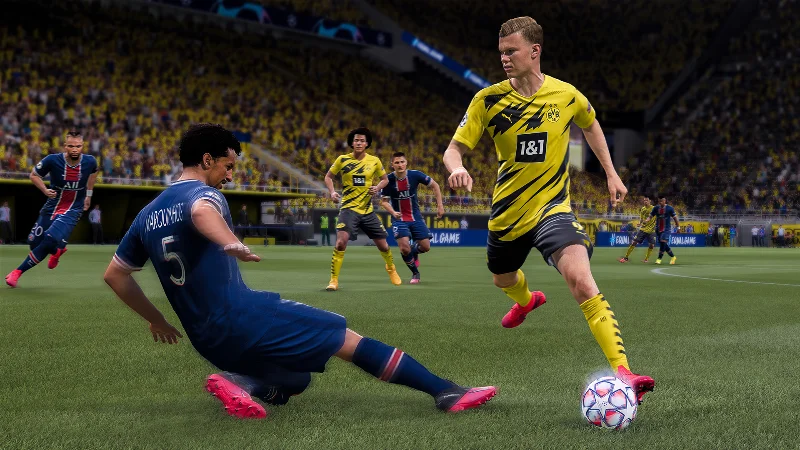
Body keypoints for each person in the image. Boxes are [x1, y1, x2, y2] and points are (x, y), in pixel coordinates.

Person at [103, 124, 497, 419]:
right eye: (228, 166)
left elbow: (115, 275)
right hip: (243, 317)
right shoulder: (205, 194)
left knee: (296, 379)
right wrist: (228, 241)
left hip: (206, 341)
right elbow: (201, 211)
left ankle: (239, 381)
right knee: (345, 337)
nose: (230, 174)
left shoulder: (146, 215)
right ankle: (446, 392)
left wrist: (156, 319)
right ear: (207, 161)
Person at [442, 16, 653, 403]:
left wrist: (611, 173)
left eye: (512, 51)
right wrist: (457, 168)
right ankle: (526, 301)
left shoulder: (566, 95)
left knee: (582, 280)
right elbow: (454, 149)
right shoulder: (487, 100)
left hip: (553, 209)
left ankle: (624, 371)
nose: (504, 58)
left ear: (534, 51)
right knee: (502, 279)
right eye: (501, 52)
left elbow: (591, 124)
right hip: (508, 214)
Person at [6, 130, 98, 288]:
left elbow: (94, 173)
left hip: (73, 209)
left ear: (82, 146)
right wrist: (45, 190)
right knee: (33, 243)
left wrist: (88, 195)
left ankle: (17, 272)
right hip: (52, 207)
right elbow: (34, 175)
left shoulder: (90, 161)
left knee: (49, 239)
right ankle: (57, 250)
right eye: (71, 146)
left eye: (78, 146)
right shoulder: (52, 160)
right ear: (65, 146)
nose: (74, 149)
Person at [324, 127, 401, 291]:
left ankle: (391, 268)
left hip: (367, 211)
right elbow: (328, 177)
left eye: (362, 140)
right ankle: (333, 280)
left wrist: (377, 188)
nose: (359, 143)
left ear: (367, 144)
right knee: (340, 243)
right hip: (348, 209)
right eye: (356, 140)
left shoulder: (374, 161)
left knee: (384, 246)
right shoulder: (342, 159)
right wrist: (332, 192)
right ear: (352, 143)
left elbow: (385, 180)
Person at [379, 152, 445, 284]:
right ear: (392, 165)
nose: (400, 165)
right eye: (397, 162)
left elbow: (435, 185)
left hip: (415, 217)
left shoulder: (415, 175)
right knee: (404, 248)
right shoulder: (388, 180)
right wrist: (393, 212)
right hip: (399, 219)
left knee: (425, 247)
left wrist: (440, 206)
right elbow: (384, 202)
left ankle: (414, 252)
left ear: (406, 162)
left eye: (402, 162)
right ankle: (415, 273)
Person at [619, 197, 656, 263]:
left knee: (652, 245)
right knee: (634, 242)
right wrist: (640, 223)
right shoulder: (643, 209)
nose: (645, 202)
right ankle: (626, 257)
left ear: (650, 201)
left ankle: (646, 259)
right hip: (643, 229)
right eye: (644, 200)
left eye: (647, 200)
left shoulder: (654, 208)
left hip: (651, 230)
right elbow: (641, 218)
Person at [648, 197, 680, 265]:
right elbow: (650, 216)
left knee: (663, 241)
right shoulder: (656, 208)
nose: (660, 203)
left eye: (661, 201)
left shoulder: (670, 208)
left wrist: (678, 227)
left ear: (665, 201)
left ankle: (659, 259)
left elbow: (675, 218)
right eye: (659, 201)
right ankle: (673, 257)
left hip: (666, 229)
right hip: (658, 229)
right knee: (663, 244)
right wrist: (647, 220)